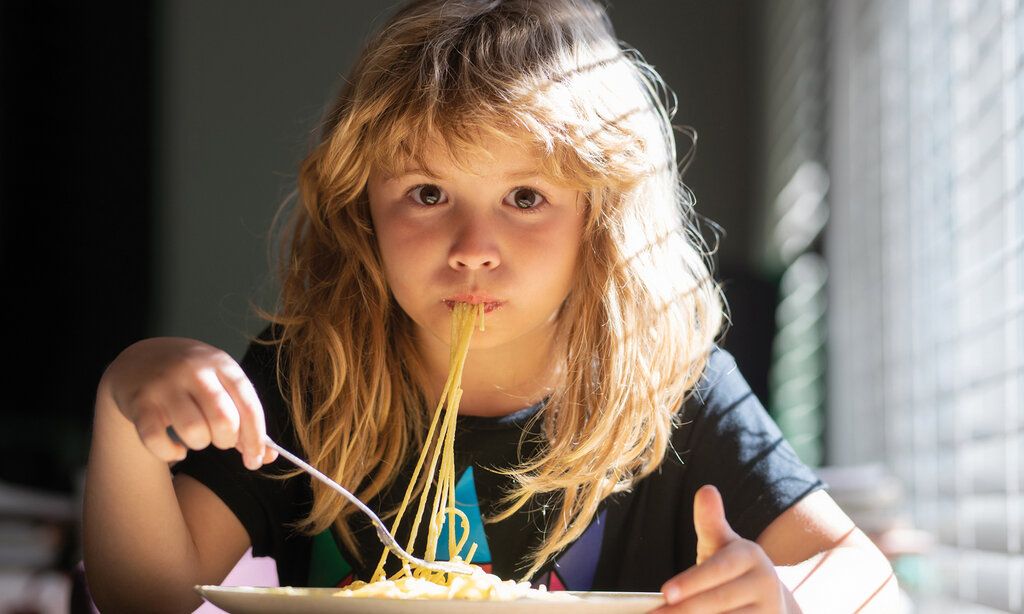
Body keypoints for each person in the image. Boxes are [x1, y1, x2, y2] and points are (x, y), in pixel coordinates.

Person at [82, 0, 898, 612]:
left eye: (525, 196)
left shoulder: (667, 386)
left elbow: (863, 581)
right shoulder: (312, 371)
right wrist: (125, 408)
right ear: (361, 206)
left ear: (600, 220)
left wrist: (787, 598)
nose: (474, 245)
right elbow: (145, 599)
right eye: (429, 192)